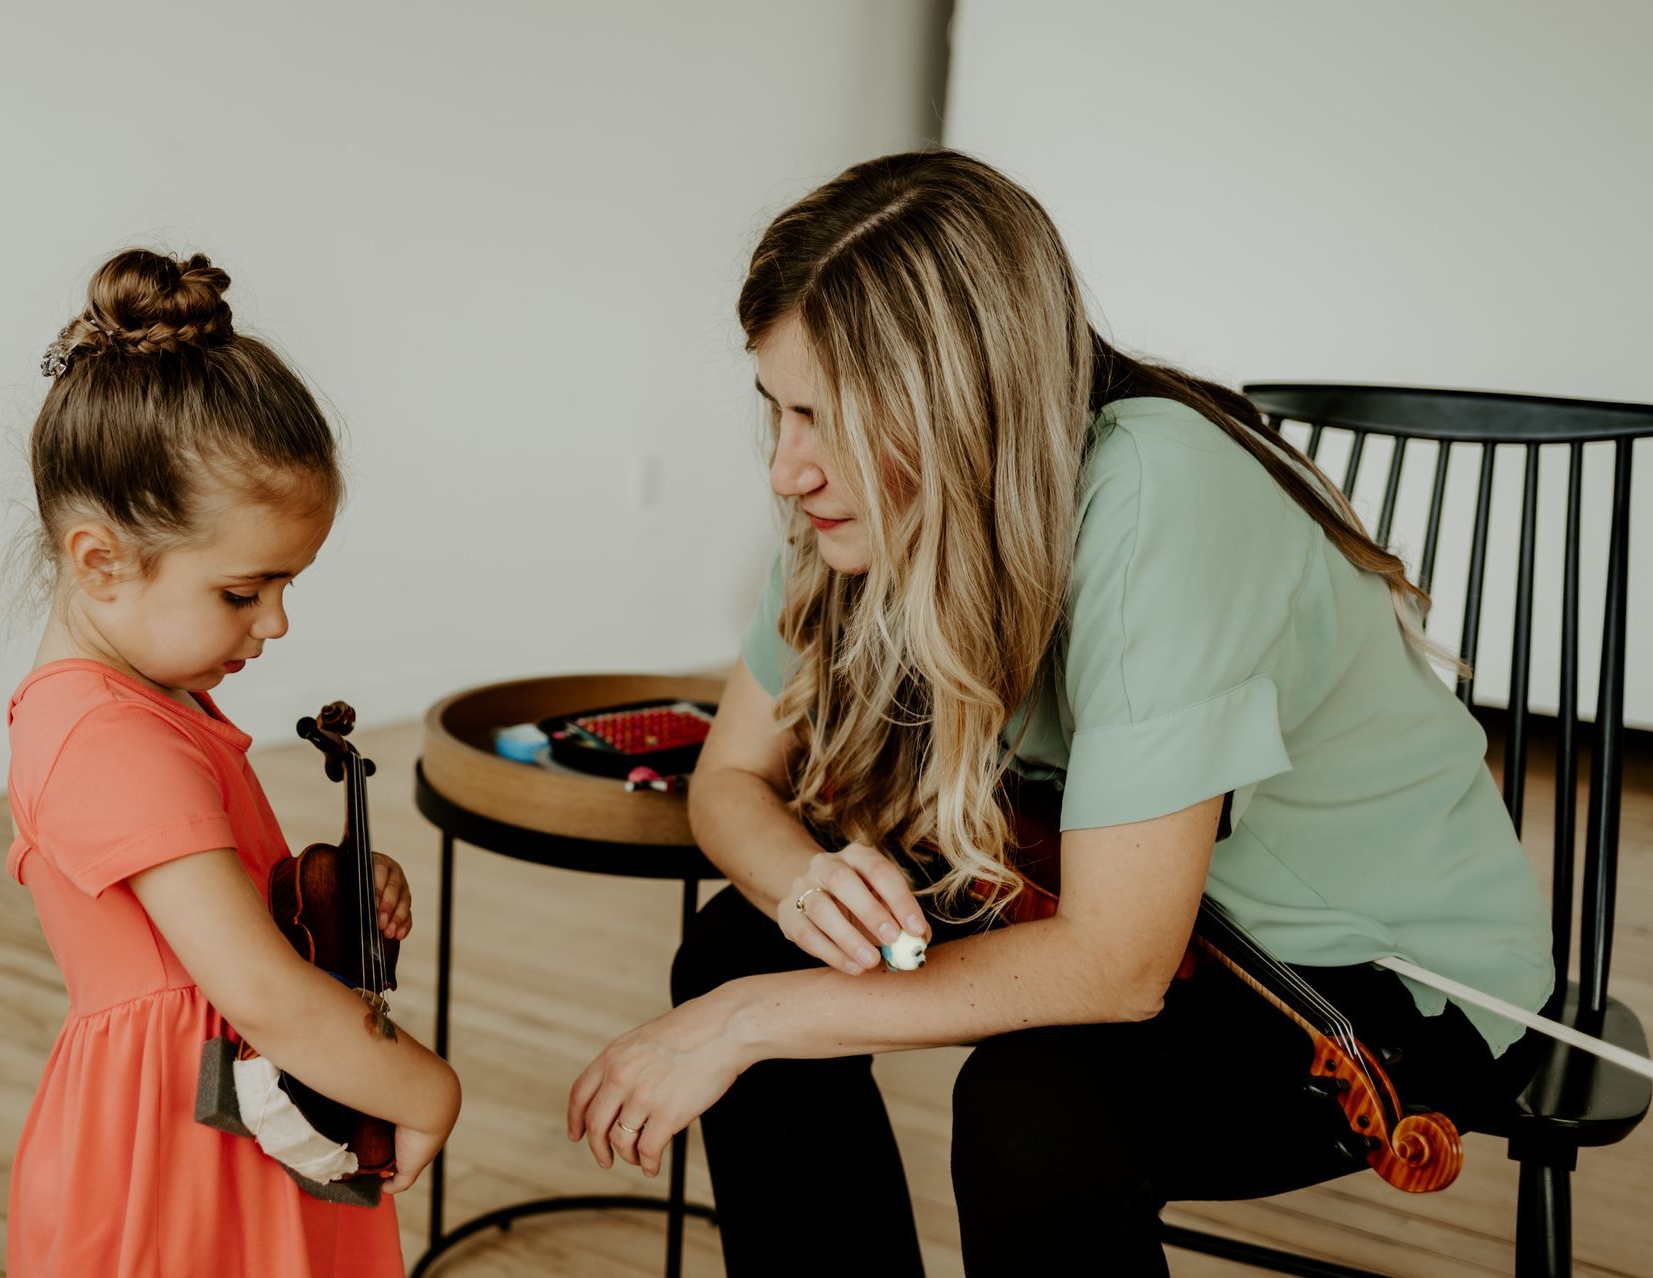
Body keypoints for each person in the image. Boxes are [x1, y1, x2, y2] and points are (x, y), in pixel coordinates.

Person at [567, 151, 1552, 1275]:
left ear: (956, 408)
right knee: (741, 940)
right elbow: (733, 776)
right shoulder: (867, 498)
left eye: (822, 417)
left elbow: (1118, 967)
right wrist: (801, 887)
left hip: (1357, 977)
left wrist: (746, 1023)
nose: (787, 468)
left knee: (1036, 1113)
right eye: (777, 410)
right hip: (1118, 902)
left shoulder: (1156, 497)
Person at [5, 249, 459, 1276]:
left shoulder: (140, 701)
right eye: (244, 591)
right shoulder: (109, 738)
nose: (279, 621)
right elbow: (255, 990)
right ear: (101, 560)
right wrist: (428, 1086)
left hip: (232, 1105)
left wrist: (304, 886)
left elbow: (198, 927)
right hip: (180, 1145)